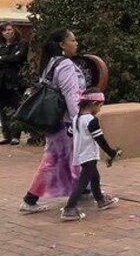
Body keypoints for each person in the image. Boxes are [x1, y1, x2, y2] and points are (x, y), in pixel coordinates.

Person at [19, 29, 86, 214]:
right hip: (63, 121)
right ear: (63, 45)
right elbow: (71, 95)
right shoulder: (65, 65)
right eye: (73, 40)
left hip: (55, 120)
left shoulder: (51, 62)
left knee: (73, 156)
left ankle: (85, 189)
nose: (76, 43)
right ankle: (30, 199)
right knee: (53, 160)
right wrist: (78, 120)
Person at [60, 89, 120, 221]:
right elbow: (100, 140)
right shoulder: (92, 121)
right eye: (100, 106)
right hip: (89, 155)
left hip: (81, 154)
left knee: (95, 177)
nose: (99, 109)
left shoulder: (76, 119)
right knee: (83, 182)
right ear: (93, 103)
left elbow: (70, 134)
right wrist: (111, 153)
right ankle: (69, 209)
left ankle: (100, 200)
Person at [0, 22, 28, 145]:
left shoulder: (22, 44)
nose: (7, 32)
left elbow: (19, 57)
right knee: (3, 108)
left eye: (9, 29)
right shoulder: (1, 46)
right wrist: (8, 58)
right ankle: (7, 135)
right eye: (4, 30)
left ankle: (16, 135)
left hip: (16, 81)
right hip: (2, 81)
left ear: (14, 30)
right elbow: (11, 59)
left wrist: (2, 58)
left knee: (16, 106)